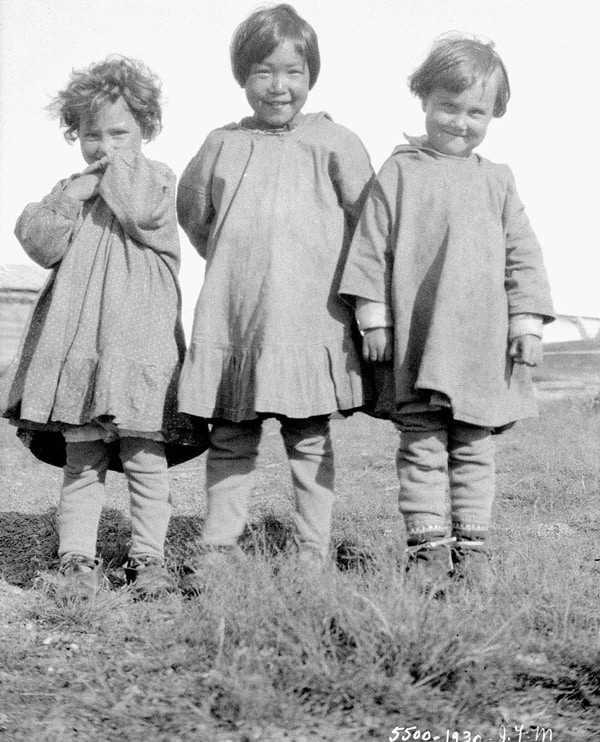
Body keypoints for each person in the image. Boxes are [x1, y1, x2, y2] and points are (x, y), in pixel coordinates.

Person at [339, 34, 555, 589]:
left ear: (494, 114)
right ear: (424, 100)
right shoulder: (400, 172)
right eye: (448, 106)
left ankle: (474, 547)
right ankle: (428, 549)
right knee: (423, 445)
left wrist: (526, 322)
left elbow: (522, 254)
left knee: (474, 447)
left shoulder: (497, 179)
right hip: (417, 340)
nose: (460, 122)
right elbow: (369, 247)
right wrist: (374, 318)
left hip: (481, 343)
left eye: (476, 111)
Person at [176, 4, 373, 586]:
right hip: (238, 317)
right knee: (231, 437)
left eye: (293, 71)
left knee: (309, 439)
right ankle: (217, 551)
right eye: (264, 71)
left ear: (311, 75)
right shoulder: (220, 144)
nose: (279, 86)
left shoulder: (337, 142)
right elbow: (195, 215)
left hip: (311, 321)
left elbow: (370, 225)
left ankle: (312, 552)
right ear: (242, 76)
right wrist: (241, 259)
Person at [1, 56, 205, 598]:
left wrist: (107, 175)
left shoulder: (155, 179)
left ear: (146, 131)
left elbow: (141, 211)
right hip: (81, 348)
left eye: (120, 132)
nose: (105, 145)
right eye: (92, 135)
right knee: (83, 457)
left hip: (139, 346)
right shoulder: (75, 189)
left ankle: (149, 560)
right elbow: (39, 241)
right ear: (76, 135)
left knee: (145, 456)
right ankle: (75, 561)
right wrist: (72, 194)